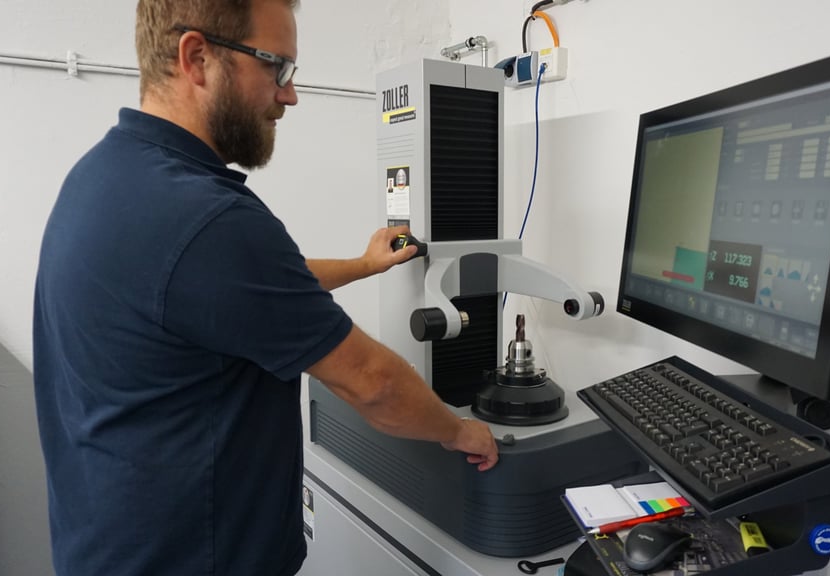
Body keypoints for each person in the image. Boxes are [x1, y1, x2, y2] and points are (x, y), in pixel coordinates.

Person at [32, 1, 499, 575]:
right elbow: (373, 382)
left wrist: (363, 265)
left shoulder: (106, 176)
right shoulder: (208, 219)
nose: (290, 95)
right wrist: (459, 431)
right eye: (277, 66)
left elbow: (243, 289)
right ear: (197, 58)